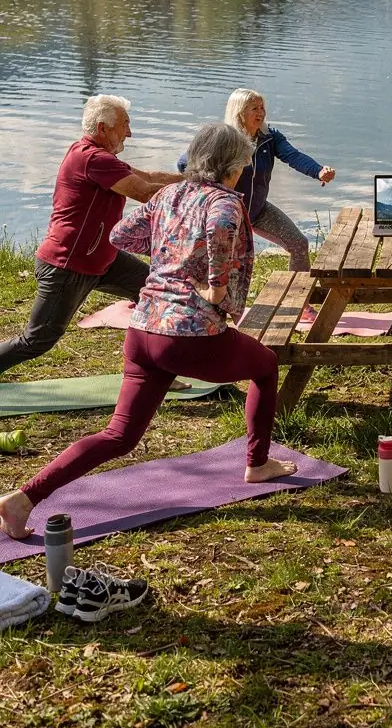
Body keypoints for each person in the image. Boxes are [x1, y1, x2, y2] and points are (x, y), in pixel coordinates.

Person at [0, 123, 296, 542]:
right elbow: (218, 234)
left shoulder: (170, 195)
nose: (246, 168)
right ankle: (258, 463)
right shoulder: (225, 204)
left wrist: (170, 251)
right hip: (190, 335)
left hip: (143, 331)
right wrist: (212, 286)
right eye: (245, 162)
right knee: (265, 366)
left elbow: (121, 234)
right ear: (234, 166)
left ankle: (22, 499)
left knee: (118, 435)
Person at [0, 95, 180, 377]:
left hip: (101, 258)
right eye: (125, 125)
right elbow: (145, 193)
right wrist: (197, 196)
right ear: (102, 128)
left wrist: (195, 178)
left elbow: (148, 176)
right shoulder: (93, 159)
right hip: (68, 265)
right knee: (36, 341)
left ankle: (152, 372)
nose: (129, 132)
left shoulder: (99, 157)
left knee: (155, 293)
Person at [178, 89, 335, 272]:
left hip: (257, 210)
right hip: (226, 213)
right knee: (226, 265)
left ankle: (299, 298)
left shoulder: (269, 137)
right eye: (254, 108)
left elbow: (293, 155)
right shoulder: (223, 138)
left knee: (299, 244)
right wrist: (206, 187)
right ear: (239, 112)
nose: (261, 112)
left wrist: (318, 171)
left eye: (262, 107)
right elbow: (184, 162)